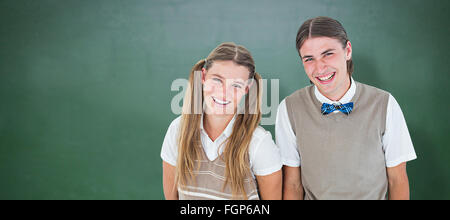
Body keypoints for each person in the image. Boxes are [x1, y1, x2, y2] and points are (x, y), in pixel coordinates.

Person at [276, 17, 417, 200]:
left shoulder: (384, 104)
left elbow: (397, 180)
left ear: (347, 50)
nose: (320, 68)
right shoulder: (289, 108)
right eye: (309, 59)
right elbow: (293, 185)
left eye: (328, 54)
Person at [161, 42, 282, 200]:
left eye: (236, 85)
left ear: (247, 88)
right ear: (203, 76)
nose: (224, 93)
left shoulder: (259, 143)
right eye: (217, 80)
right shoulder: (178, 130)